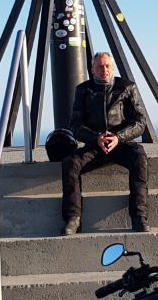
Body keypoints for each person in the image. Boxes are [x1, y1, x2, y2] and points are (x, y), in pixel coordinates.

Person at [61, 51, 149, 235]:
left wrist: (118, 137)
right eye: (100, 66)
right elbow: (75, 125)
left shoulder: (127, 87)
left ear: (112, 67)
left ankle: (139, 216)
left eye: (107, 66)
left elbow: (141, 122)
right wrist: (96, 138)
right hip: (94, 145)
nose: (104, 69)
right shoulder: (83, 90)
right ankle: (73, 218)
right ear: (92, 69)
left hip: (120, 144)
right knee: (70, 163)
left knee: (139, 156)